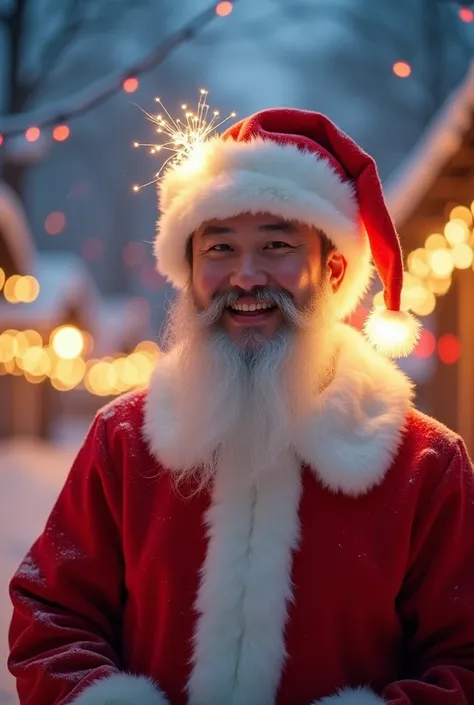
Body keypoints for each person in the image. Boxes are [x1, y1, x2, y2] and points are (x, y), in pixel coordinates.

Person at [8, 108, 474, 705]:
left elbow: (464, 658)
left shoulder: (425, 463)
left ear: (332, 270)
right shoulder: (125, 439)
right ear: (191, 272)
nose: (245, 276)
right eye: (220, 248)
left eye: (277, 245)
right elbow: (51, 618)